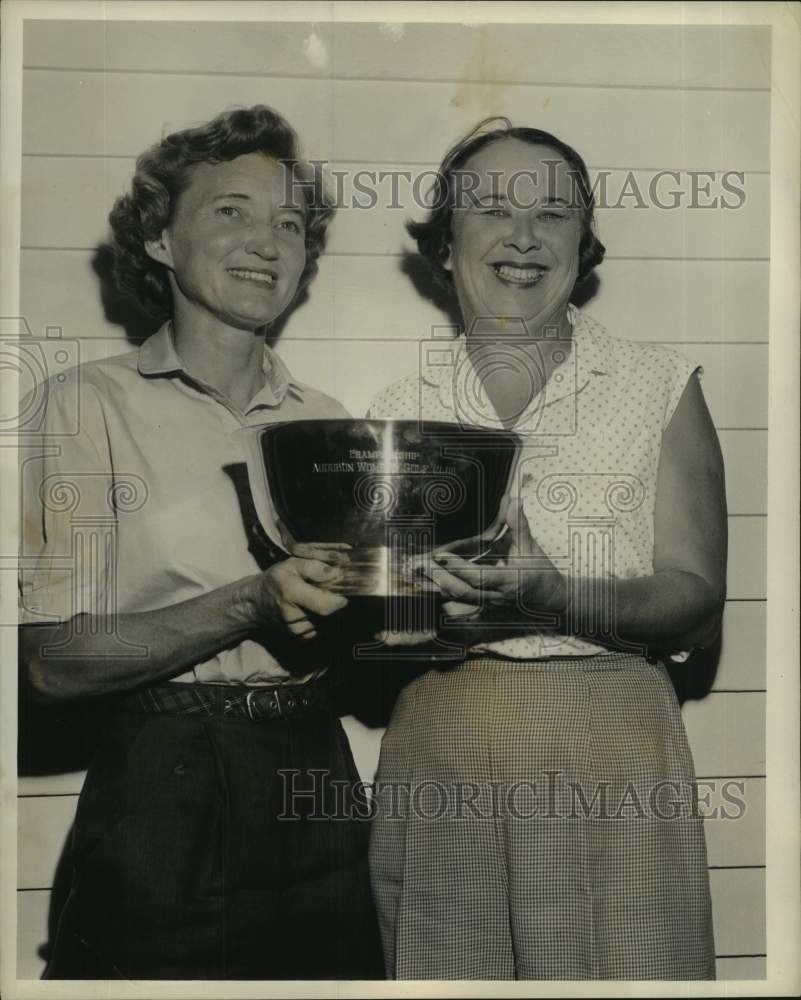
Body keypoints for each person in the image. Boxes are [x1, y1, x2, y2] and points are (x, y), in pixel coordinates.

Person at [18, 105, 384, 980]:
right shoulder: (84, 406)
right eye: (231, 211)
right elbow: (53, 663)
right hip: (162, 776)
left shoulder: (331, 424)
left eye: (290, 225)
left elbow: (360, 642)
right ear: (155, 238)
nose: (267, 242)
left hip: (315, 770)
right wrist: (253, 601)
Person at [367, 119, 726, 980]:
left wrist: (557, 595)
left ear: (582, 245)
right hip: (439, 747)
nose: (524, 236)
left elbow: (696, 597)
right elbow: (384, 620)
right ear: (445, 246)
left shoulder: (658, 385)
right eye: (490, 208)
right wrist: (420, 621)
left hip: (609, 747)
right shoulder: (396, 405)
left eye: (554, 214)